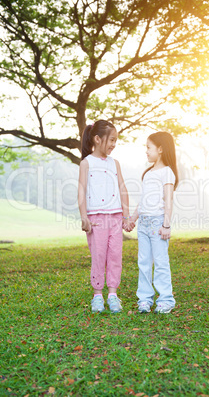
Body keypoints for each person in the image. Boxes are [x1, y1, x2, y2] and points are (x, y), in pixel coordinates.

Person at [78, 120, 130, 313]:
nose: (114, 144)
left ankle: (113, 294)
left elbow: (122, 188)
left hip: (115, 216)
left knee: (115, 255)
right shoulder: (86, 163)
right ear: (98, 139)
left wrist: (125, 215)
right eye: (112, 140)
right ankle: (98, 295)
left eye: (116, 140)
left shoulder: (114, 163)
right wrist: (83, 216)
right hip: (96, 218)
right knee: (99, 256)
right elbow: (81, 190)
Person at [128, 131, 178, 314]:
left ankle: (166, 299)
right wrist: (133, 218)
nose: (146, 151)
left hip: (158, 224)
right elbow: (143, 202)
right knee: (143, 262)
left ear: (161, 149)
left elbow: (168, 200)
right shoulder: (148, 174)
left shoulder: (167, 173)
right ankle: (145, 299)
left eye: (148, 148)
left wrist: (166, 225)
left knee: (161, 262)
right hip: (144, 224)